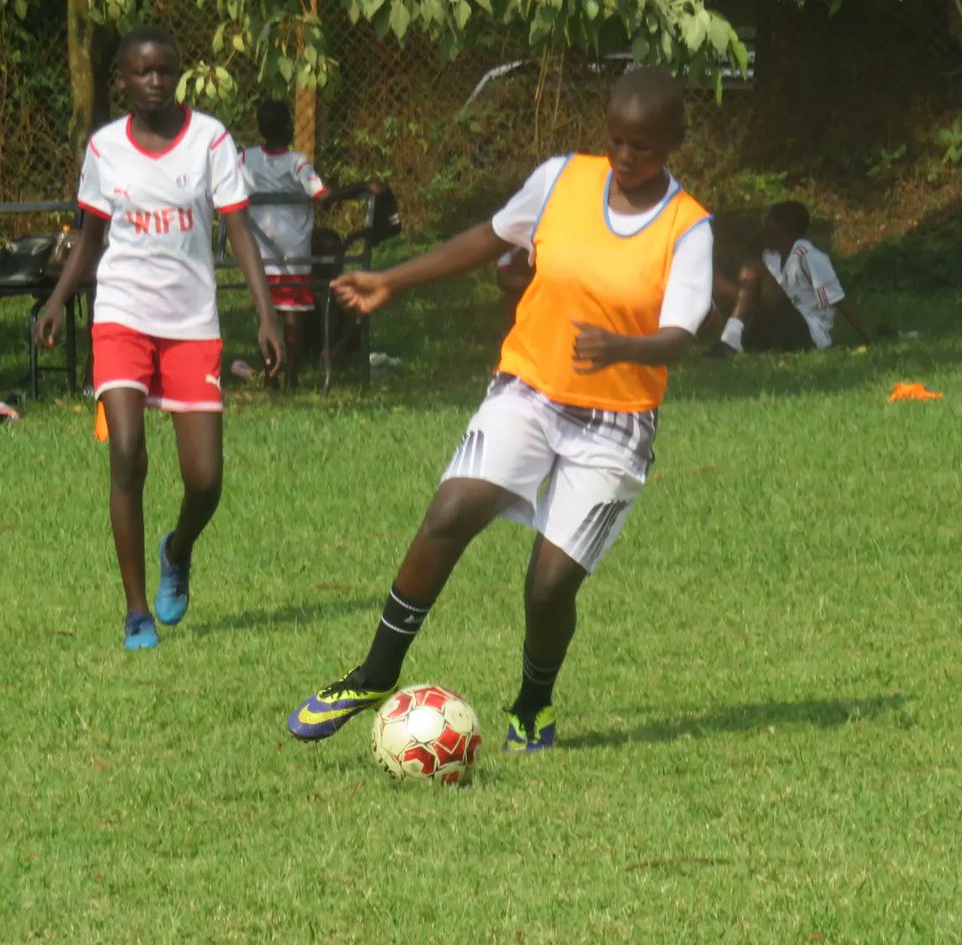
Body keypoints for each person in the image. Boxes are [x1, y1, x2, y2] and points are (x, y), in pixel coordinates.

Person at [286, 66, 713, 751]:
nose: (625, 156)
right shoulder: (562, 179)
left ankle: (533, 706)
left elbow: (682, 335)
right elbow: (490, 237)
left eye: (642, 145)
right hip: (529, 389)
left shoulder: (688, 228)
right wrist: (392, 280)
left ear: (675, 141)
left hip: (616, 422)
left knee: (549, 587)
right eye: (616, 140)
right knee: (451, 510)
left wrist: (623, 347)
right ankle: (373, 673)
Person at [36, 26, 284, 650]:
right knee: (126, 452)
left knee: (205, 481)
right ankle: (136, 611)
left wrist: (267, 314)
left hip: (191, 323)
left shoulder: (210, 140)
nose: (154, 82)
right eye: (142, 72)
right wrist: (58, 301)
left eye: (164, 71)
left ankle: (177, 549)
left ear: (177, 74)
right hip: (121, 314)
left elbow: (239, 230)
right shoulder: (104, 148)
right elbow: (90, 237)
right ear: (122, 79)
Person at [235, 99, 378, 388]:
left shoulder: (245, 159)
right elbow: (322, 196)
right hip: (294, 252)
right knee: (293, 313)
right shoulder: (296, 162)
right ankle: (292, 375)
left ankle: (270, 375)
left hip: (260, 252)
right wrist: (362, 187)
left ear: (261, 130)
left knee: (267, 313)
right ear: (288, 127)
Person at [711, 200, 872, 355]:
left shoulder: (809, 257)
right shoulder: (771, 257)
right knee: (724, 285)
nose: (764, 226)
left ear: (784, 227)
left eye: (769, 221)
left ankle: (730, 339)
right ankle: (731, 337)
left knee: (751, 267)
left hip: (807, 331)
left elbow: (841, 301)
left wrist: (871, 339)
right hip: (778, 328)